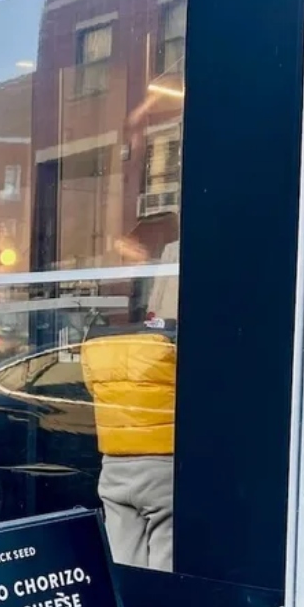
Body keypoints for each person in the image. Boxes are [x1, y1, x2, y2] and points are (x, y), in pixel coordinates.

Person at [79, 243, 178, 572]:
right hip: (163, 462)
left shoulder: (98, 348)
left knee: (122, 559)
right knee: (164, 562)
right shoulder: (169, 349)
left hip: (116, 463)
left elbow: (92, 388)